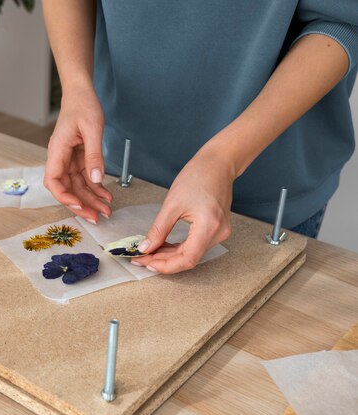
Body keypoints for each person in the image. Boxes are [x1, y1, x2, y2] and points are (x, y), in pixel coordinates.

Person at [42, 1, 358, 275]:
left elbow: (342, 23)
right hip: (121, 167)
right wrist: (76, 87)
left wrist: (225, 157)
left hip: (268, 189)